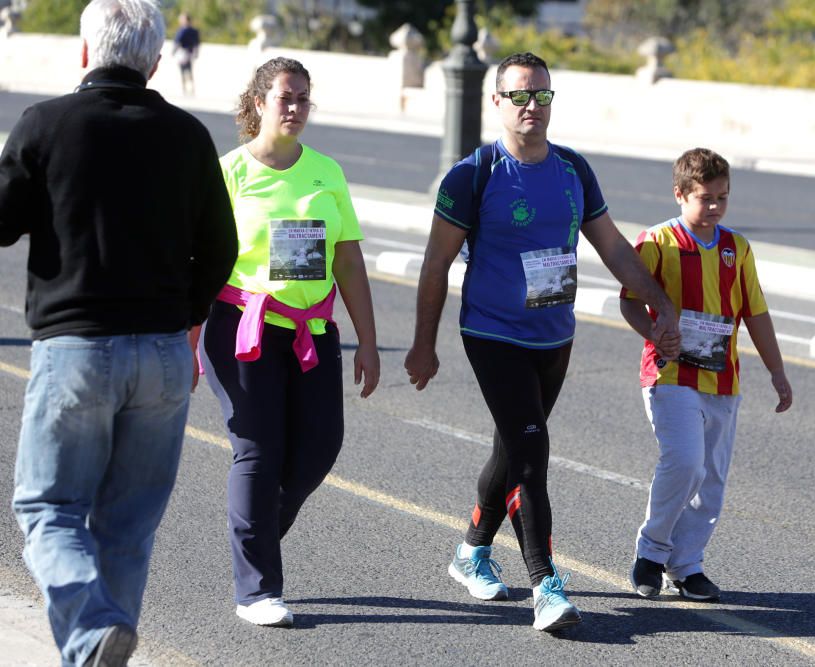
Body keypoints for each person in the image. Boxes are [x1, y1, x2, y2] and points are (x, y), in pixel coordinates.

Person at [404, 51, 680, 632]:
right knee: (532, 451)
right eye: (521, 96)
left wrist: (659, 300)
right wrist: (423, 344)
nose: (533, 106)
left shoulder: (573, 171)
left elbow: (613, 248)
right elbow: (435, 266)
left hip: (554, 334)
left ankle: (471, 551)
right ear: (498, 102)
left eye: (543, 95)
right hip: (491, 331)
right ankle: (544, 583)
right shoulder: (472, 174)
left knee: (513, 448)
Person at [0, 0, 238, 664]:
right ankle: (100, 642)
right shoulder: (188, 136)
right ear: (156, 61)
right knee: (128, 528)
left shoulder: (46, 125)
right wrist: (184, 314)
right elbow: (221, 247)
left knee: (48, 510)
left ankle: (92, 618)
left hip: (77, 345)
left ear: (83, 52)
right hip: (162, 352)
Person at [201, 56, 379, 628]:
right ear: (259, 104)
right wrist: (182, 339)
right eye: (286, 97)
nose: (296, 108)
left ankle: (252, 530)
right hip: (242, 330)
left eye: (304, 98)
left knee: (319, 448)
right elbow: (198, 262)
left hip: (312, 333)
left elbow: (348, 262)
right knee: (258, 451)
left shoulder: (327, 172)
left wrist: (369, 344)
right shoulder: (229, 173)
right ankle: (257, 591)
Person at [622, 147, 793, 603]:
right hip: (671, 373)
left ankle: (687, 565)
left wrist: (777, 371)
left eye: (723, 197)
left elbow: (755, 312)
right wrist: (656, 333)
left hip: (722, 379)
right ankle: (650, 554)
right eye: (705, 197)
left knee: (712, 479)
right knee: (685, 462)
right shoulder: (657, 242)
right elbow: (628, 299)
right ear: (680, 195)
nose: (714, 206)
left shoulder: (738, 248)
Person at [172, 12, 199, 96]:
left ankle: (187, 89)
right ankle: (189, 89)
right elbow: (197, 43)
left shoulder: (183, 31)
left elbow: (178, 42)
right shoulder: (192, 30)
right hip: (188, 53)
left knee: (185, 71)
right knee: (188, 71)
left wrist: (174, 51)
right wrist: (196, 52)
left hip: (184, 52)